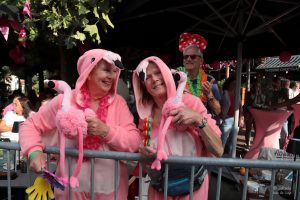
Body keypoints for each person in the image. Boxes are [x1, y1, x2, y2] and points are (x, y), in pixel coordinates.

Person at [19, 49, 141, 200]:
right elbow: (30, 125)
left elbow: (135, 141)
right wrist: (34, 152)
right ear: (89, 72)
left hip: (111, 191)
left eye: (115, 71)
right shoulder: (65, 100)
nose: (112, 76)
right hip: (70, 191)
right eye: (106, 70)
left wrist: (107, 131)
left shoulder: (119, 104)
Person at [132, 56, 223, 200]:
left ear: (167, 74)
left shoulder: (191, 103)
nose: (155, 79)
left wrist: (197, 119)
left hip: (192, 190)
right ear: (143, 86)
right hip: (160, 190)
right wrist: (145, 154)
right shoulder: (145, 116)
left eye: (158, 73)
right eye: (148, 77)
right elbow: (145, 165)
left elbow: (218, 150)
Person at [177, 32, 221, 116]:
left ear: (201, 61)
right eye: (186, 57)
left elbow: (217, 111)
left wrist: (209, 94)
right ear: (183, 61)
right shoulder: (177, 78)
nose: (188, 59)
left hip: (204, 124)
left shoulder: (209, 79)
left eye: (193, 56)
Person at [243, 81, 265, 150]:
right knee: (248, 129)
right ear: (253, 86)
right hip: (249, 114)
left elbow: (263, 105)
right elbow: (248, 104)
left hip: (257, 116)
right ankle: (247, 144)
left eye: (258, 86)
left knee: (257, 130)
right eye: (256, 86)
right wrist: (255, 95)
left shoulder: (262, 96)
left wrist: (257, 95)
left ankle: (254, 144)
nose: (257, 88)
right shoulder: (248, 94)